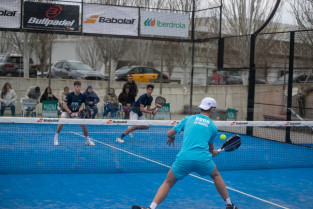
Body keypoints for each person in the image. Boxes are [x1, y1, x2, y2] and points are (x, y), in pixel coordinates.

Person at [132, 97, 238, 209]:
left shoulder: (188, 119)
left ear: (202, 107)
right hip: (203, 160)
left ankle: (151, 208)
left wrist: (172, 137)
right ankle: (229, 204)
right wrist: (214, 153)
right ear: (212, 109)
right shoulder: (213, 127)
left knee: (167, 183)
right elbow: (210, 150)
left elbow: (169, 134)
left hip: (184, 159)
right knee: (216, 175)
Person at [54, 81, 95, 146]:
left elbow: (81, 105)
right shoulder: (69, 95)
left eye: (79, 86)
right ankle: (55, 139)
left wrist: (79, 112)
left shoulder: (82, 96)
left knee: (83, 125)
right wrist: (70, 113)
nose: (78, 88)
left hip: (76, 112)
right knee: (61, 122)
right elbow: (64, 105)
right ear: (74, 87)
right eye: (77, 86)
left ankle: (87, 140)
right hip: (67, 112)